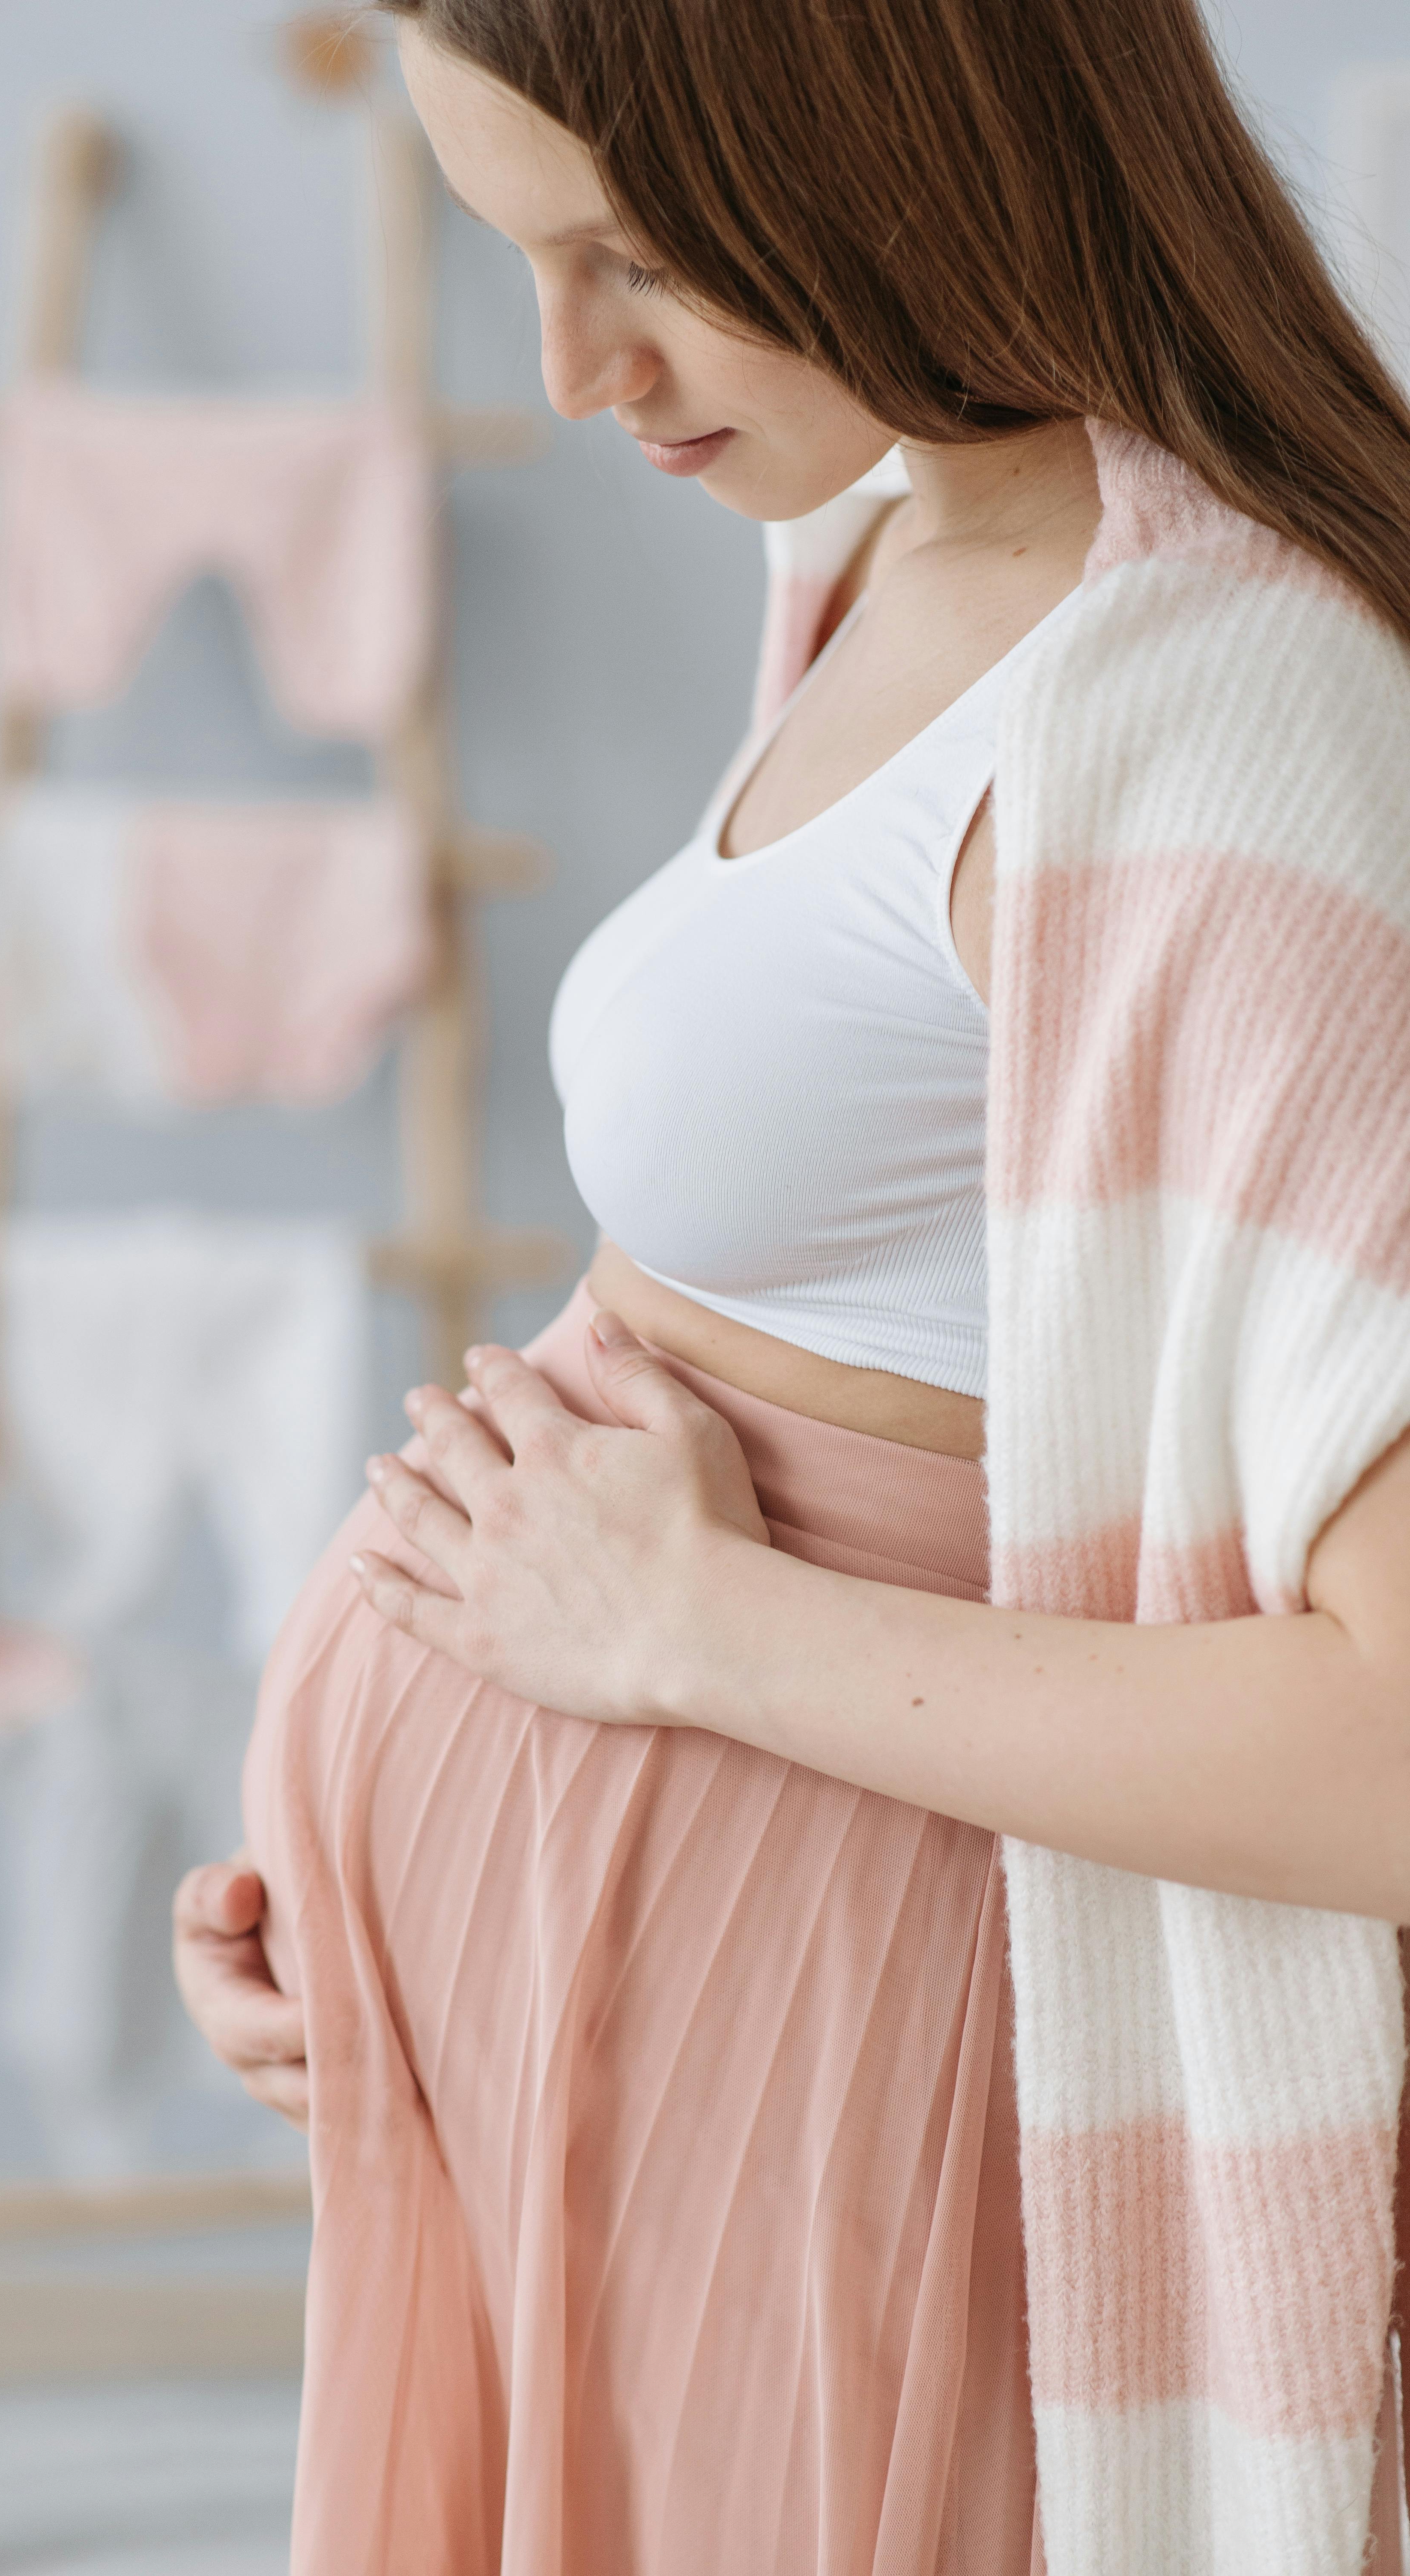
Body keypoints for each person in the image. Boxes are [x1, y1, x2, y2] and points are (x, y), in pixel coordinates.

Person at [176, 1, 1410, 2567]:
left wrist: (677, 1646)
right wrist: (403, 1894)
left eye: (636, 254)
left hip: (832, 2064)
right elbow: (820, 1287)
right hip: (592, 2037)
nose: (570, 365)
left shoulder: (1231, 713)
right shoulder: (888, 543)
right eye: (514, 251)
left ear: (897, 131)